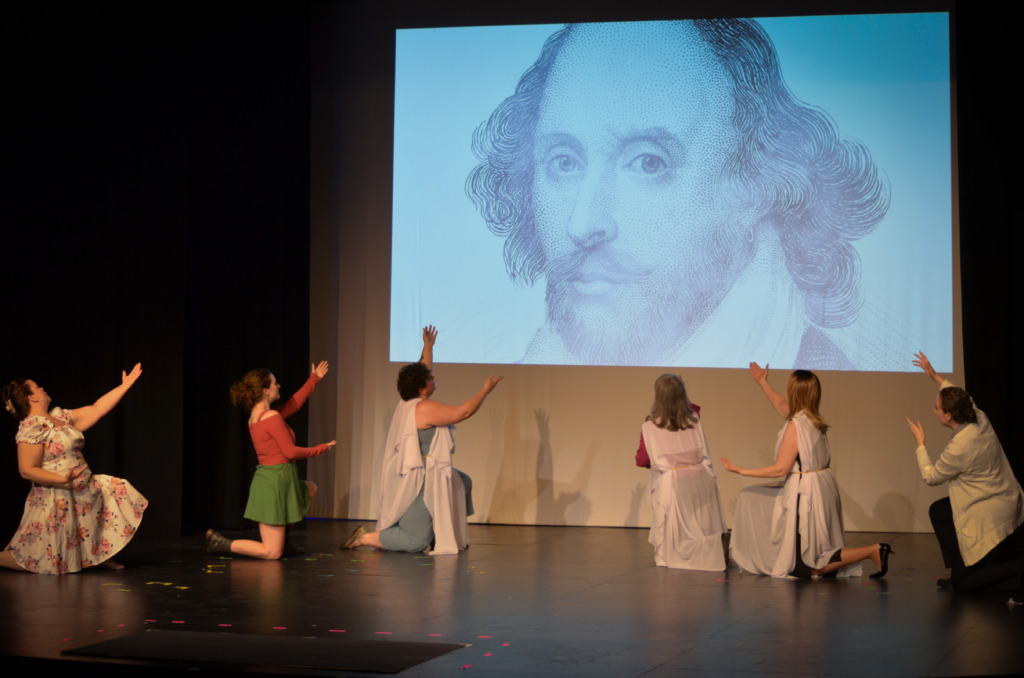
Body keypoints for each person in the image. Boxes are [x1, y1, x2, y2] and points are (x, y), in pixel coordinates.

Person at [467, 19, 889, 368]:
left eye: (649, 163)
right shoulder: (536, 368)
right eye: (563, 162)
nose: (583, 224)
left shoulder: (816, 378)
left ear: (753, 186)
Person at [343, 326, 501, 554]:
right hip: (421, 475)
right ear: (422, 388)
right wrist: (484, 390)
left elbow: (422, 369)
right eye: (430, 378)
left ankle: (441, 531)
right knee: (416, 541)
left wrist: (428, 346)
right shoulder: (423, 409)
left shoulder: (407, 402)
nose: (433, 378)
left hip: (427, 468)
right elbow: (463, 412)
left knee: (462, 482)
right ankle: (365, 538)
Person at [723, 364, 890, 578]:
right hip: (821, 488)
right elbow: (781, 406)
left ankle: (873, 551)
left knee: (810, 564)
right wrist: (763, 382)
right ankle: (871, 552)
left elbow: (780, 469)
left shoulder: (796, 425)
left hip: (807, 494)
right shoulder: (811, 419)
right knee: (814, 552)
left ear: (793, 392)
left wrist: (742, 471)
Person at [0, 365, 148, 574]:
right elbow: (27, 470)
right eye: (37, 387)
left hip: (82, 488)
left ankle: (97, 557)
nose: (42, 388)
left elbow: (96, 409)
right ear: (31, 397)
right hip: (55, 497)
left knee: (110, 495)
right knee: (36, 558)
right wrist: (62, 479)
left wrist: (125, 386)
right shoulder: (32, 427)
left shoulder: (60, 417)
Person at [906, 352, 1024, 592]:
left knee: (965, 585)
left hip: (988, 509)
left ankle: (1017, 570)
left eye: (937, 408)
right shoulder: (978, 416)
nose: (933, 411)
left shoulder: (960, 447)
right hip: (1003, 496)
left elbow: (931, 477)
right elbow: (964, 397)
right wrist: (934, 376)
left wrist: (920, 444)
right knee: (939, 511)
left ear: (948, 415)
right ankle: (959, 568)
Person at [206, 361, 336, 559]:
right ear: (265, 390)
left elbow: (293, 405)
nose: (279, 385)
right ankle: (221, 543)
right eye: (275, 383)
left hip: (281, 479)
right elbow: (290, 452)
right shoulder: (270, 417)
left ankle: (285, 541)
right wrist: (321, 448)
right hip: (273, 483)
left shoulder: (260, 415)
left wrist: (313, 380)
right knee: (271, 552)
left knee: (309, 489)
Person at [635, 374, 725, 570]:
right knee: (695, 521)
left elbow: (642, 459)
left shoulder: (650, 426)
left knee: (668, 521)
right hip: (699, 479)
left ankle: (670, 556)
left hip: (672, 484)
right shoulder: (693, 419)